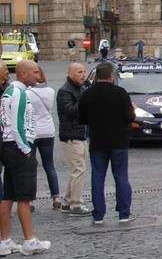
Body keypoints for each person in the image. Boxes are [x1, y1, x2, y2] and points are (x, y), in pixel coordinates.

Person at [0, 60, 51, 254]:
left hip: (9, 147)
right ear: (24, 74)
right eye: (35, 73)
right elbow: (17, 124)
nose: (38, 77)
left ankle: (5, 241)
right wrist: (26, 149)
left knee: (8, 196)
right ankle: (29, 241)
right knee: (24, 198)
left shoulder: (10, 91)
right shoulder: (19, 93)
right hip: (18, 148)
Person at [77, 60, 134, 224]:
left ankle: (98, 215)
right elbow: (129, 117)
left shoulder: (87, 94)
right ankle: (124, 213)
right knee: (121, 177)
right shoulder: (121, 92)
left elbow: (81, 118)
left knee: (97, 178)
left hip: (97, 142)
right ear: (111, 76)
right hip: (119, 142)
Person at [27, 64, 63, 210]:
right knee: (50, 166)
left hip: (33, 132)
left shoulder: (27, 92)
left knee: (31, 167)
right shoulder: (50, 91)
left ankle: (29, 200)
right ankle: (56, 197)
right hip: (48, 131)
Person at [56, 62, 90, 214]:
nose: (83, 75)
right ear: (70, 74)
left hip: (80, 134)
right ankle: (76, 204)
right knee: (78, 169)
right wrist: (84, 97)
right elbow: (70, 111)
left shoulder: (79, 88)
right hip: (71, 136)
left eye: (84, 71)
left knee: (77, 169)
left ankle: (67, 202)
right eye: (79, 72)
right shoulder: (65, 91)